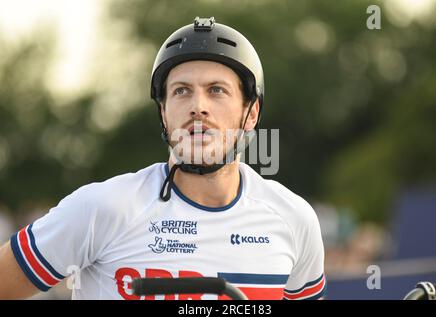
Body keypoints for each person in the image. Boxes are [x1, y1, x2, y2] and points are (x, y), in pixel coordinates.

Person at [0, 17, 326, 300]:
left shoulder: (293, 219)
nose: (198, 105)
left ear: (251, 112)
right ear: (164, 112)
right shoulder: (101, 209)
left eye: (216, 90)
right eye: (181, 91)